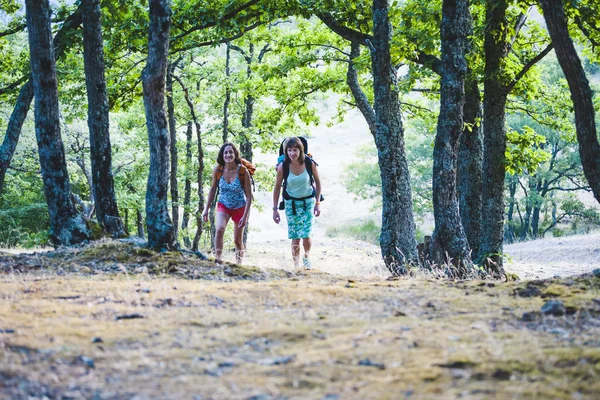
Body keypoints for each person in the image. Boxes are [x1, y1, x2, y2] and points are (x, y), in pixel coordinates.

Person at [272, 137, 322, 269]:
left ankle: (306, 259)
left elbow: (318, 182)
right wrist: (275, 209)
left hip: (308, 202)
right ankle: (296, 265)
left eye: (295, 150)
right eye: (289, 150)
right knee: (295, 236)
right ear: (285, 151)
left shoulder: (309, 163)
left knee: (306, 235)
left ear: (301, 150)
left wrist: (318, 203)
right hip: (291, 204)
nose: (292, 153)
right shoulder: (283, 167)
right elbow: (277, 187)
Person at [203, 142, 252, 264]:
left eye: (231, 152)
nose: (228, 155)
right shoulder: (218, 170)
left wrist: (245, 216)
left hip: (240, 207)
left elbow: (250, 196)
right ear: (222, 155)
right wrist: (206, 208)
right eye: (225, 152)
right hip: (223, 205)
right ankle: (218, 261)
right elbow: (213, 189)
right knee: (219, 229)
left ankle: (239, 264)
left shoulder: (243, 171)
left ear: (235, 154)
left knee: (237, 240)